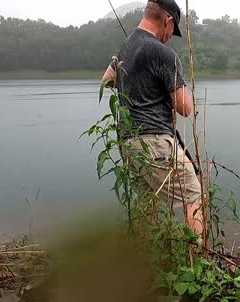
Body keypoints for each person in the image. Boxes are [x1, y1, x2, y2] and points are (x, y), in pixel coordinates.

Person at [101, 0, 204, 241]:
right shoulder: (163, 53)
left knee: (148, 200)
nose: (170, 36)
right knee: (193, 196)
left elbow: (106, 81)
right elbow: (185, 108)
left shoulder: (125, 48)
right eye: (173, 30)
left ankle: (149, 256)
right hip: (155, 141)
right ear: (168, 20)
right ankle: (200, 263)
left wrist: (137, 85)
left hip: (129, 144)